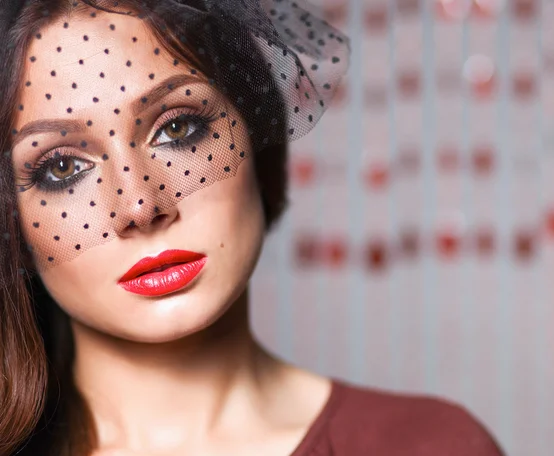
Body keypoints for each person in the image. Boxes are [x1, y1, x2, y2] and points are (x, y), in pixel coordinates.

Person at [0, 1, 505, 455]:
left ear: (256, 132)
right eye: (62, 169)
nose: (139, 204)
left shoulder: (431, 446)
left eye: (177, 129)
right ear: (12, 227)